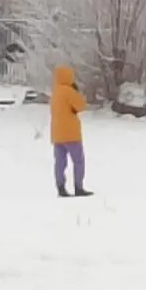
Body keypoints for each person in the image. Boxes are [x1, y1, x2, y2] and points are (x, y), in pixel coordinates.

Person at [50, 64, 92, 199]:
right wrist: (76, 92)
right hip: (71, 134)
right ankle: (78, 187)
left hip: (57, 134)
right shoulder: (69, 91)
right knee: (78, 161)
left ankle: (61, 187)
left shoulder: (55, 93)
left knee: (60, 162)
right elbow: (81, 105)